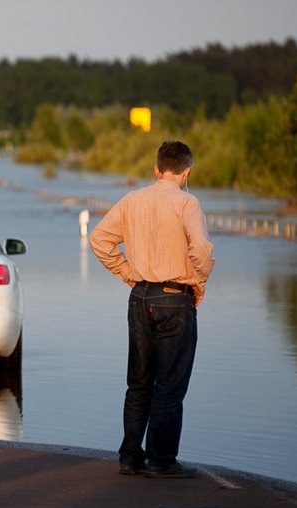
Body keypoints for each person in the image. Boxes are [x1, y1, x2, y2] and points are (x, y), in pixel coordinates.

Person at [89, 140, 214, 478]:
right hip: (176, 298)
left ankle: (130, 456)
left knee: (139, 381)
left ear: (156, 169)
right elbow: (201, 248)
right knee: (170, 384)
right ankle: (161, 460)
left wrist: (127, 272)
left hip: (140, 297)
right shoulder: (188, 202)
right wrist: (199, 281)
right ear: (186, 172)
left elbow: (98, 238)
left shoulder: (132, 199)